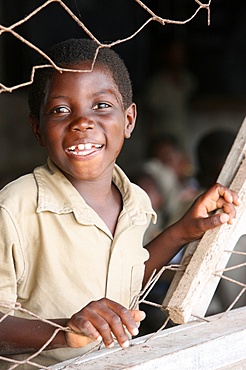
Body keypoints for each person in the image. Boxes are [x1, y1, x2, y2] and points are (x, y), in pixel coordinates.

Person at [0, 38, 240, 369]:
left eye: (101, 106)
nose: (82, 122)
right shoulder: (15, 208)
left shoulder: (135, 201)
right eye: (60, 110)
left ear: (128, 120)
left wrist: (181, 231)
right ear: (37, 129)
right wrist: (64, 333)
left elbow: (123, 280)